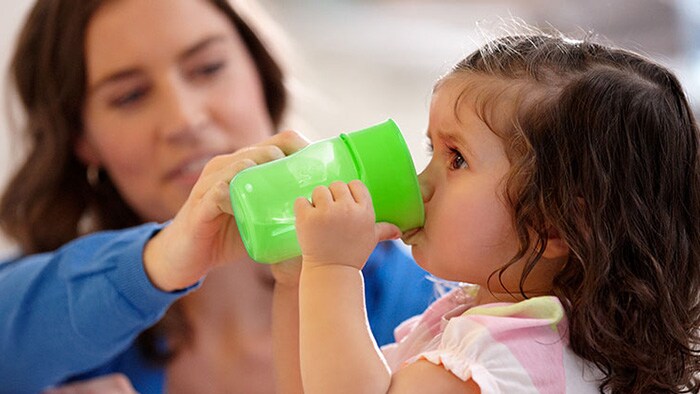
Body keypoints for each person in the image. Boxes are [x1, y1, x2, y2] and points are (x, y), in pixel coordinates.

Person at [0, 0, 434, 392]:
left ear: (261, 77)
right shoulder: (45, 311)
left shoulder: (425, 301)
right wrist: (159, 259)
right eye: (129, 96)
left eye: (208, 68)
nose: (184, 119)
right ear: (82, 139)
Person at [271, 32, 700, 393]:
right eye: (431, 151)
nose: (421, 182)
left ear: (551, 223)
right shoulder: (543, 340)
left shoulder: (491, 361)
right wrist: (298, 280)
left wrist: (332, 268)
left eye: (456, 159)